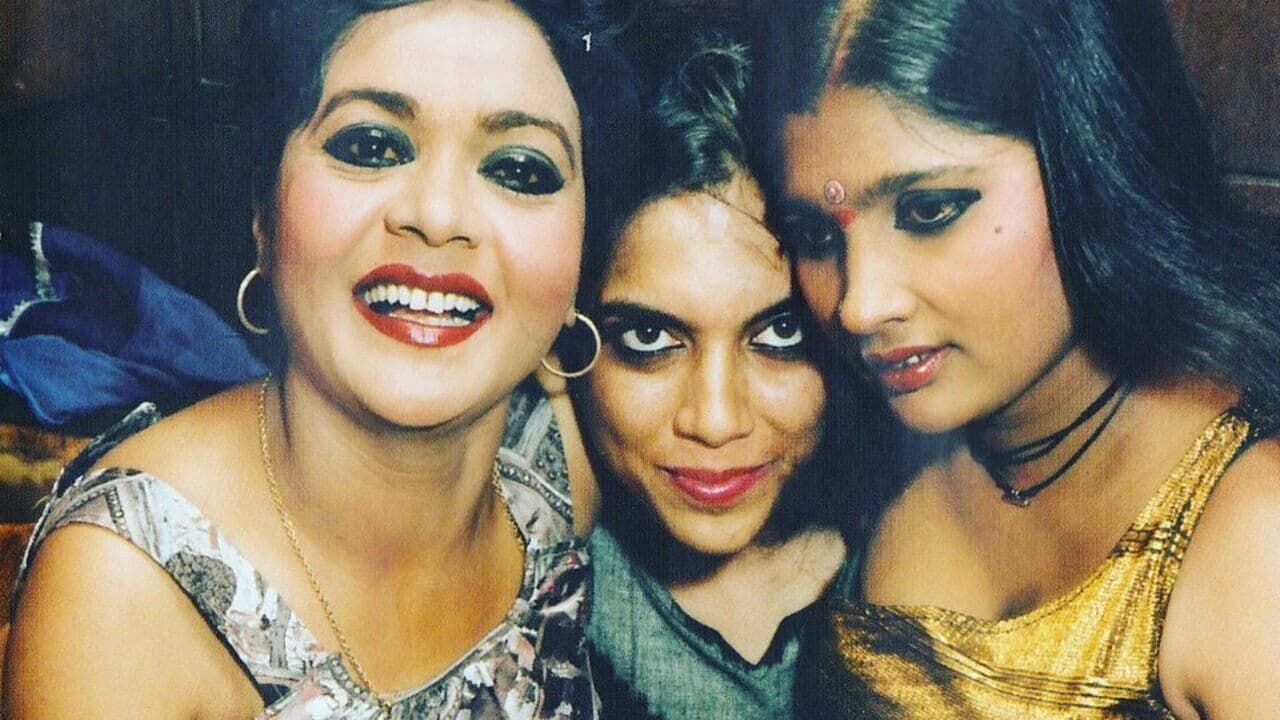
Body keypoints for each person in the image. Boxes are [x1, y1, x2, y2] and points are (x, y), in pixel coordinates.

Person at [2, 0, 630, 716]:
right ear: (263, 215)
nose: (438, 216)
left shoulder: (558, 466)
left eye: (519, 169)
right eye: (371, 146)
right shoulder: (123, 596)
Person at [753, 0, 1280, 717]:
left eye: (929, 211)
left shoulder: (1253, 533)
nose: (859, 307)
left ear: (1090, 163)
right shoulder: (873, 436)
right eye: (817, 236)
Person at [570, 19, 887, 719]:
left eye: (781, 333)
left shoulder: (925, 544)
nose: (715, 421)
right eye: (649, 337)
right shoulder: (528, 585)